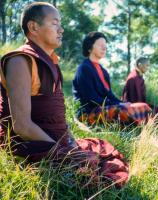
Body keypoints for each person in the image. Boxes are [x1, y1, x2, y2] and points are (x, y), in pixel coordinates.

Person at [0, 2, 129, 187]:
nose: (61, 29)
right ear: (33, 27)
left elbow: (56, 116)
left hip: (55, 140)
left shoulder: (51, 62)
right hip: (29, 145)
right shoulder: (20, 61)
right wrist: (62, 150)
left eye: (60, 23)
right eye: (54, 23)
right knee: (89, 168)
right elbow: (21, 126)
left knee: (99, 152)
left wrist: (70, 142)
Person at [72, 32, 151, 126]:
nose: (104, 48)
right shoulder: (84, 68)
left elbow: (109, 95)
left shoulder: (103, 71)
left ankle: (146, 133)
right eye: (100, 45)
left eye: (105, 46)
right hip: (88, 112)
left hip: (104, 107)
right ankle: (134, 132)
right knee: (122, 110)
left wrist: (122, 103)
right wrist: (118, 105)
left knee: (144, 107)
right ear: (90, 47)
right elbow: (91, 98)